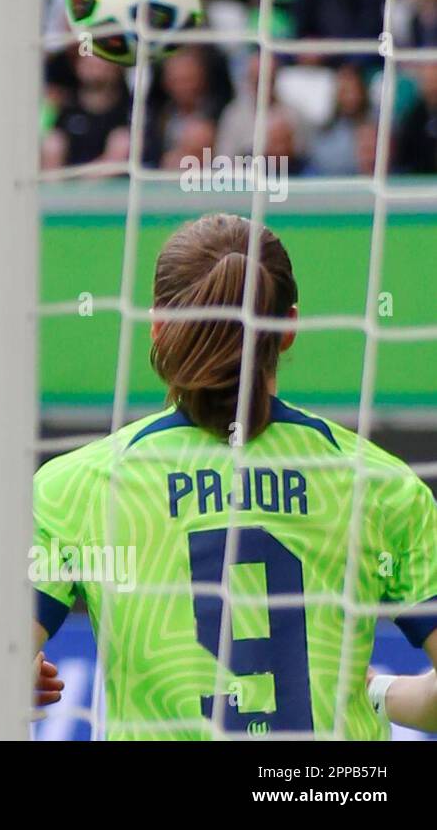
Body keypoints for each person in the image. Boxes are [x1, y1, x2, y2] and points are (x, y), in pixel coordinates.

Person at [32, 214, 437, 739]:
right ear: (288, 329)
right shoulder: (378, 484)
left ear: (155, 324)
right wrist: (382, 693)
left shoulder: (79, 485)